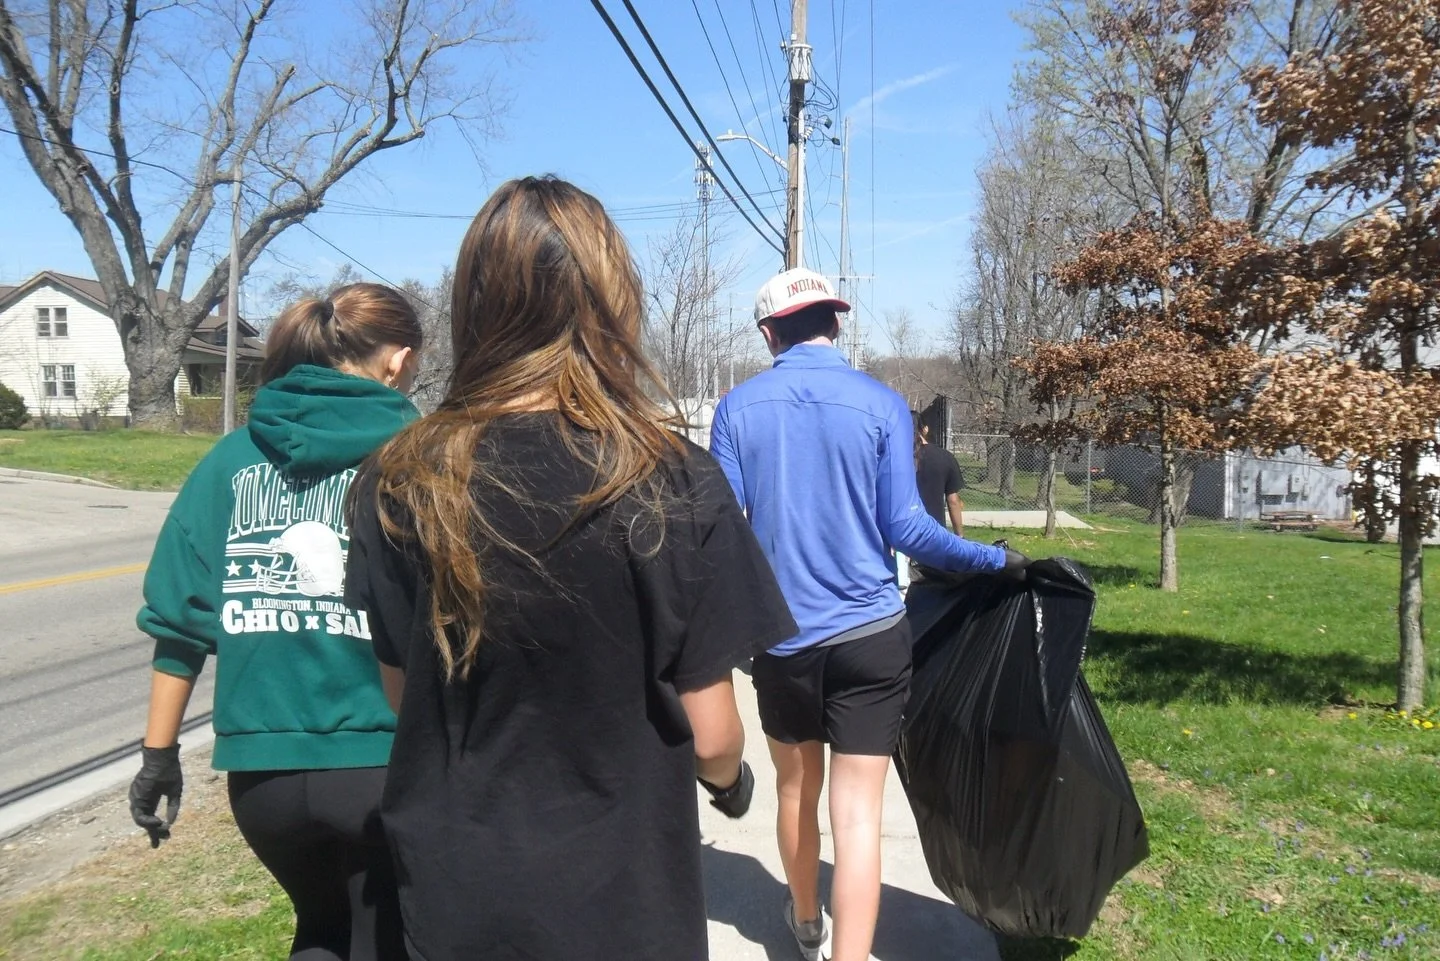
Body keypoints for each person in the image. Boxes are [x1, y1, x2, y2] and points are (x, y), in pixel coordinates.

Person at [344, 175, 797, 961]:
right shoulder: (669, 478)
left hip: (457, 896)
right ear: (610, 302)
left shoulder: (399, 477)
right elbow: (714, 731)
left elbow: (401, 688)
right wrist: (729, 787)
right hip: (624, 906)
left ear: (474, 305)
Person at [709, 267, 1028, 961]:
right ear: (836, 323)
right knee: (857, 815)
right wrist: (992, 560)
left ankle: (804, 924)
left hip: (783, 642)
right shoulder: (883, 404)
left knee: (795, 792)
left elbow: (718, 533)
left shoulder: (735, 410)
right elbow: (909, 530)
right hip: (872, 639)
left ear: (769, 333)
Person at [129, 283, 424, 961]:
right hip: (381, 763)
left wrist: (158, 756)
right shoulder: (421, 458)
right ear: (398, 361)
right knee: (388, 937)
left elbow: (179, 621)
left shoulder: (230, 460)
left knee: (320, 931)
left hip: (262, 781)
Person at [914, 416, 966, 537]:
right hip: (935, 532)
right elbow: (953, 501)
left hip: (904, 532)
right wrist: (960, 536)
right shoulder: (945, 457)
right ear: (925, 429)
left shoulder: (896, 459)